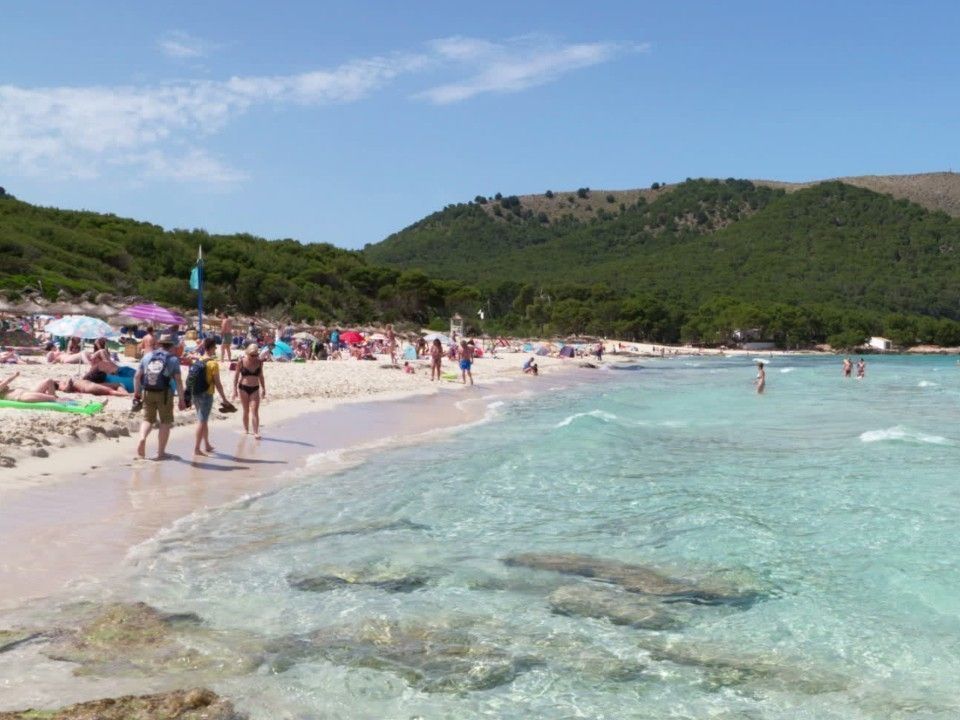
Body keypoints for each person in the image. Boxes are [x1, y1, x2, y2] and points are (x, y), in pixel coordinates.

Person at [133, 333, 185, 460]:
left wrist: (137, 394)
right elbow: (178, 381)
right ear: (171, 345)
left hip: (147, 392)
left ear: (160, 344)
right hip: (164, 394)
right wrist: (182, 399)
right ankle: (160, 453)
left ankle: (142, 438)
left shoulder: (148, 356)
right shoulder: (173, 360)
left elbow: (137, 376)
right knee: (165, 422)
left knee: (147, 419)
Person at [192, 337, 230, 456]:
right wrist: (224, 398)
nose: (216, 349)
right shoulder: (213, 364)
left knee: (203, 420)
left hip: (196, 393)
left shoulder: (198, 360)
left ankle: (206, 444)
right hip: (207, 394)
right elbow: (217, 383)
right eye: (215, 347)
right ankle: (197, 448)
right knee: (202, 421)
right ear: (212, 347)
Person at [233, 343, 266, 438]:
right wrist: (234, 389)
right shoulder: (241, 361)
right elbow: (236, 375)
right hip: (243, 388)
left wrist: (264, 388)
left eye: (256, 355)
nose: (254, 357)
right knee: (246, 410)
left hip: (255, 388)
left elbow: (261, 376)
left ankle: (256, 432)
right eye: (252, 355)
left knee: (255, 410)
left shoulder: (259, 362)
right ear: (247, 353)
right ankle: (246, 429)